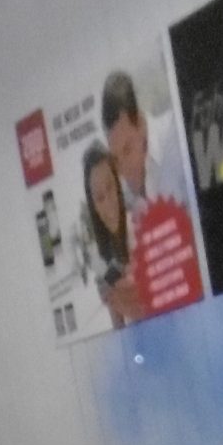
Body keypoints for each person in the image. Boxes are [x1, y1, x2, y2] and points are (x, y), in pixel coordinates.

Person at [101, 69, 192, 219]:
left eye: (127, 150)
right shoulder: (124, 196)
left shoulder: (178, 135)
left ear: (140, 123)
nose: (124, 170)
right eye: (116, 160)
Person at [79, 141, 142, 327]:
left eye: (110, 187)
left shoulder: (140, 226)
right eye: (99, 198)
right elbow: (119, 328)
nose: (109, 204)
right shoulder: (104, 259)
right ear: (94, 207)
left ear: (118, 184)